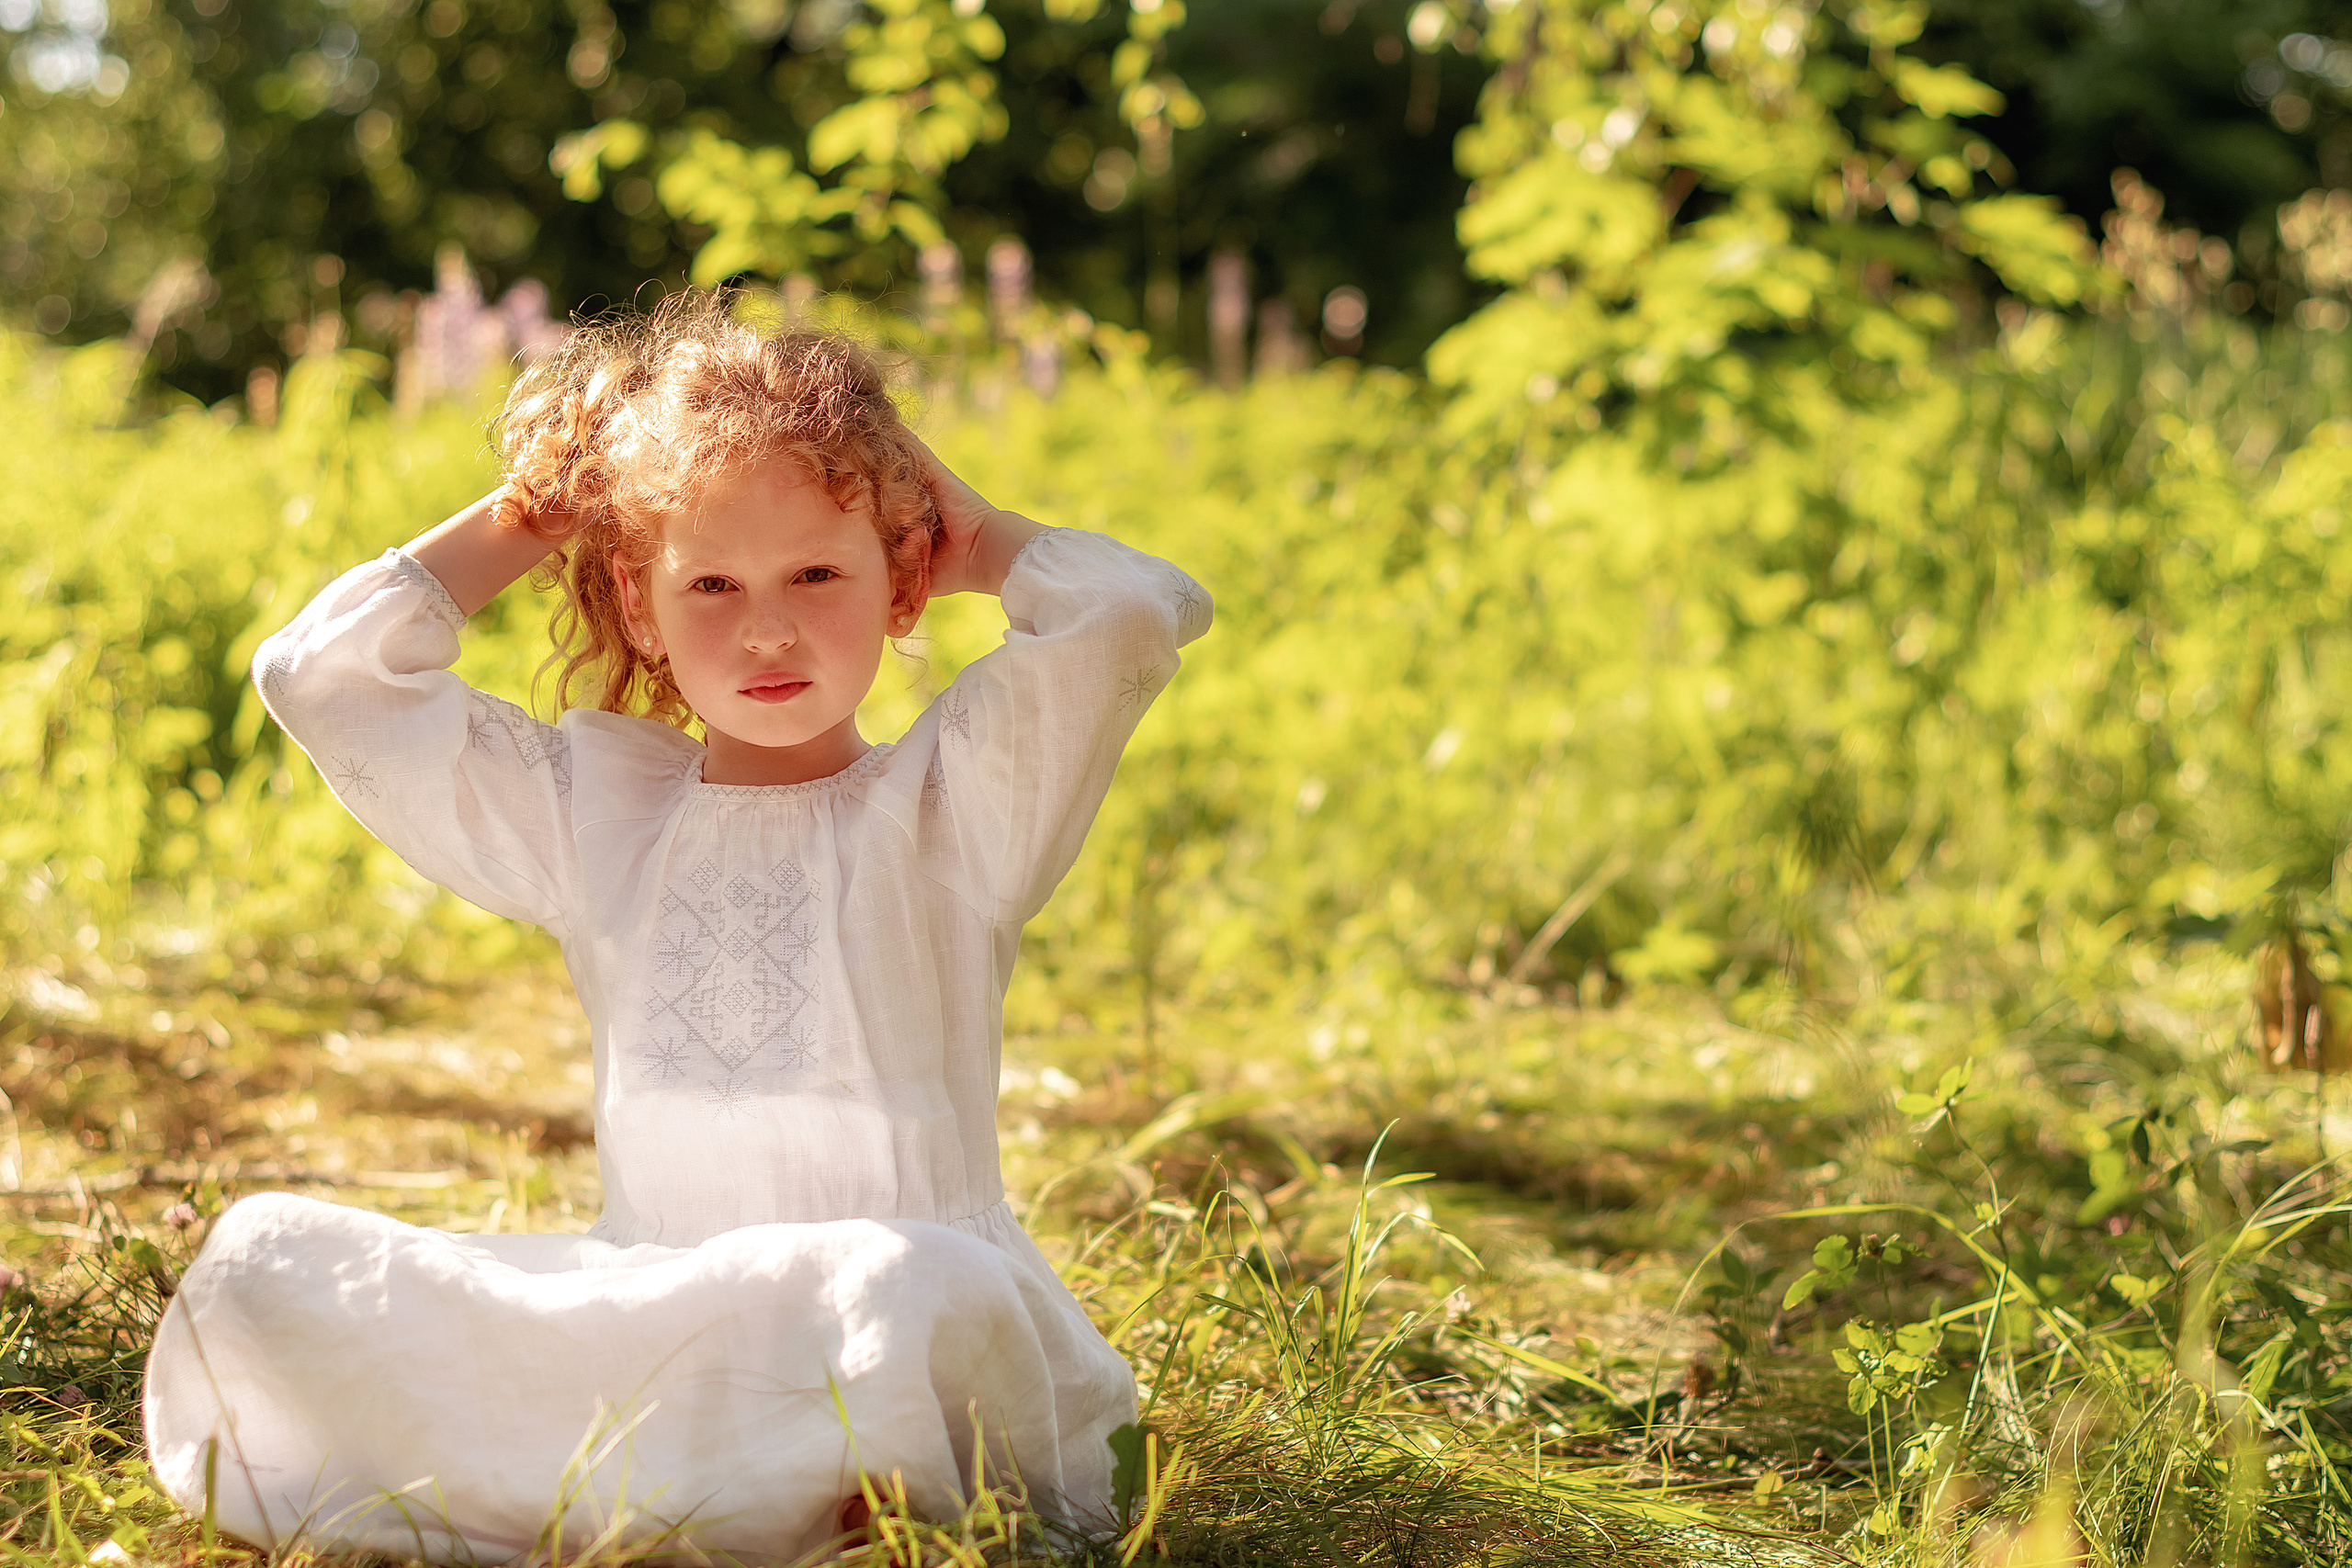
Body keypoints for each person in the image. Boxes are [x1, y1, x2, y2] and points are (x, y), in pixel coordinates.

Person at [141, 288, 1212, 1562]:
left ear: (900, 585)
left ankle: (802, 1481)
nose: (767, 626)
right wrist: (537, 513)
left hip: (903, 1319)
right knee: (272, 1264)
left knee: (888, 1287)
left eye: (820, 571)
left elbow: (1130, 613)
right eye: (708, 582)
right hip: (661, 1317)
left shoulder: (953, 807)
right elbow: (320, 677)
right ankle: (737, 1485)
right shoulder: (598, 815)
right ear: (641, 609)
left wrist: (966, 528)